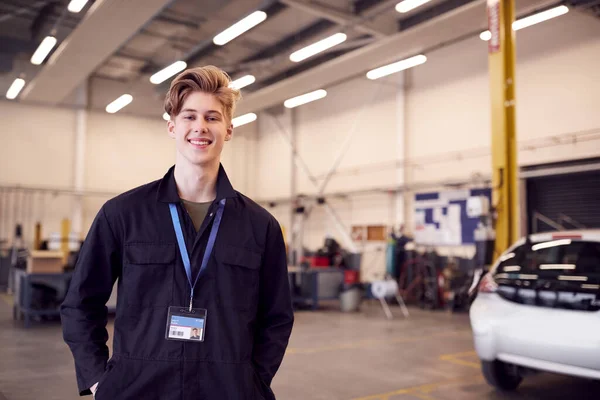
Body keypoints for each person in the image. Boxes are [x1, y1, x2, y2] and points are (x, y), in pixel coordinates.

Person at [61, 66, 294, 399]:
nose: (200, 127)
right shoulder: (123, 214)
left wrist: (253, 381)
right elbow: (80, 305)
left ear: (229, 129)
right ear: (172, 126)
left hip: (228, 391)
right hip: (138, 389)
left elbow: (277, 317)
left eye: (212, 118)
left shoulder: (261, 226)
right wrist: (99, 380)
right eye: (190, 116)